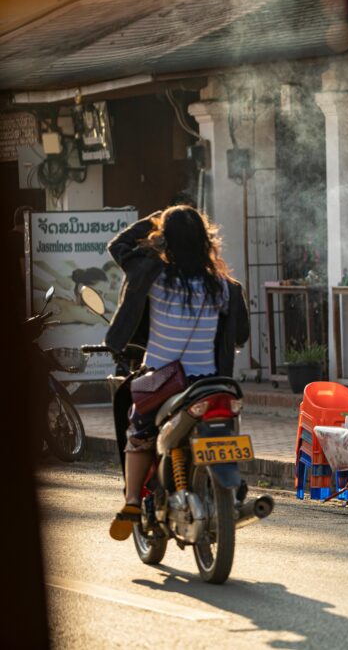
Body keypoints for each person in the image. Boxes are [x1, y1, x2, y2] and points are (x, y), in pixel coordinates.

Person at [105, 205, 249, 540]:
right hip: (211, 383)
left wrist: (155, 219)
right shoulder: (224, 288)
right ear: (205, 240)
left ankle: (130, 502)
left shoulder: (152, 275)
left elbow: (119, 246)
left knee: (137, 436)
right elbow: (239, 334)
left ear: (164, 238)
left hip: (162, 382)